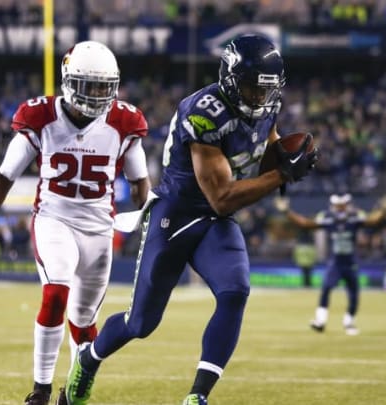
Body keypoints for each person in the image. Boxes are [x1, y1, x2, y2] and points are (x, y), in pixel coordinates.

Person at [61, 34, 318, 405]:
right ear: (231, 79)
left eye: (266, 90)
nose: (259, 98)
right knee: (141, 324)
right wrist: (282, 175)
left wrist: (286, 157)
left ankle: (197, 396)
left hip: (215, 220)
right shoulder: (204, 111)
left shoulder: (265, 107)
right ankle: (88, 358)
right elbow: (222, 196)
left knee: (235, 291)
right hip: (176, 215)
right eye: (250, 88)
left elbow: (262, 153)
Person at [0, 41, 151, 405]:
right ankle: (41, 390)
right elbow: (4, 176)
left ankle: (74, 390)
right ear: (68, 81)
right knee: (55, 294)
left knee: (84, 323)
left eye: (103, 86)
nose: (96, 94)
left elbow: (142, 186)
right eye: (88, 84)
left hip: (98, 228)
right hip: (54, 219)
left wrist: (150, 222)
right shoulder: (41, 116)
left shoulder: (125, 122)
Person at [275, 193, 386, 335]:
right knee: (326, 288)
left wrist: (383, 210)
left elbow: (373, 220)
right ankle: (320, 321)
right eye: (338, 205)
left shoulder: (354, 217)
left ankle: (349, 322)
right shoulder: (328, 218)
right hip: (336, 262)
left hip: (350, 262)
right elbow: (305, 224)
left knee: (353, 293)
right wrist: (286, 211)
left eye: (342, 205)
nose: (340, 208)